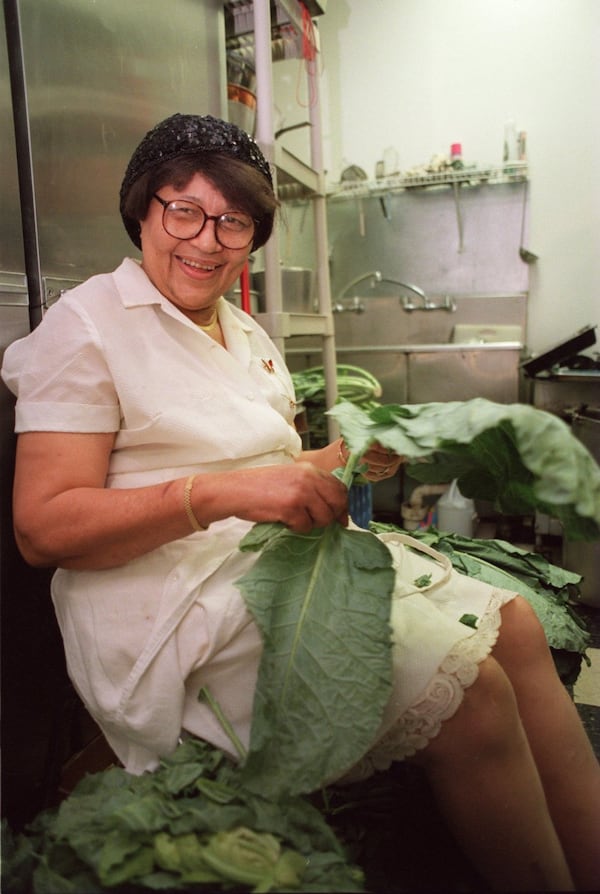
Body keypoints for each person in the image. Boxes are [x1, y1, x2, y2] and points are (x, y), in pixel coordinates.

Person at [2, 113, 599, 892]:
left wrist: (346, 457)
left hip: (277, 562)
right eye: (184, 210)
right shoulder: (85, 329)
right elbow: (42, 528)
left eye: (234, 222)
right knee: (473, 693)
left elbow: (277, 464)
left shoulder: (242, 330)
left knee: (515, 627)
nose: (206, 240)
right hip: (166, 605)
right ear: (142, 210)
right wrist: (221, 494)